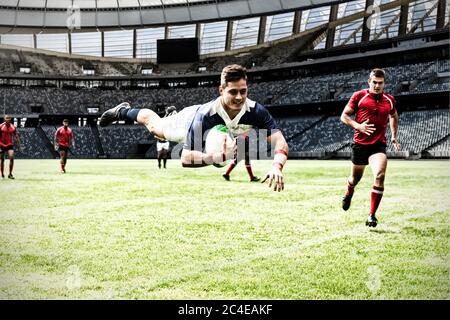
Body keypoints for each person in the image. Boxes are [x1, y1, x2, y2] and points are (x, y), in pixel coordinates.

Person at [100, 64, 288, 192]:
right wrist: (219, 157)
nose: (239, 97)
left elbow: (280, 142)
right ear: (221, 90)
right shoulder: (205, 116)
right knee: (155, 128)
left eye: (243, 91)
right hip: (186, 122)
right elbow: (186, 158)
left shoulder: (256, 111)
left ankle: (168, 115)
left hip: (223, 132)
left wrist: (277, 166)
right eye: (233, 92)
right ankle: (123, 111)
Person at [340, 68, 400, 227]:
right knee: (354, 179)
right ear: (369, 82)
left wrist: (394, 136)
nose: (377, 86)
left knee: (379, 176)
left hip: (378, 145)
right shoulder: (359, 96)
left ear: (384, 83)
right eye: (374, 82)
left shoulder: (389, 99)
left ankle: (371, 215)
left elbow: (394, 115)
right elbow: (344, 116)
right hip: (360, 144)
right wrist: (357, 126)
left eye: (380, 83)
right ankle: (349, 192)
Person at [0, 115, 21, 179]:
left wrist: (19, 145)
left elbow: (16, 136)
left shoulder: (13, 127)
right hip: (1, 145)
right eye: (7, 118)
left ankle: (10, 174)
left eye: (9, 118)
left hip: (9, 145)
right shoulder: (0, 126)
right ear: (4, 119)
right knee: (2, 160)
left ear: (10, 119)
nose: (8, 119)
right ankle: (2, 174)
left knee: (11, 158)